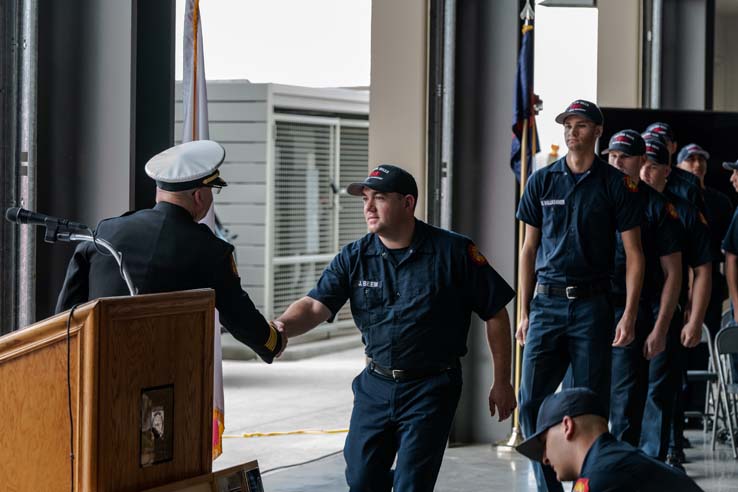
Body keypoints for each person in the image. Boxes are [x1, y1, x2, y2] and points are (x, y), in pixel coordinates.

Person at [274, 164, 516, 492]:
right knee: (361, 480)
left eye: (380, 198)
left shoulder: (453, 252)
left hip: (431, 388)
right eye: (365, 199)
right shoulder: (354, 256)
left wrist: (502, 381)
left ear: (407, 203)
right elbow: (316, 305)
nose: (369, 207)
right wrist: (282, 326)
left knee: (412, 485)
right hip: (375, 385)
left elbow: (496, 313)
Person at [55, 140, 284, 363]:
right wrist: (273, 342)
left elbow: (66, 312)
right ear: (199, 196)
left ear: (159, 190)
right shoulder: (211, 250)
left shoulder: (106, 232)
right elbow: (238, 316)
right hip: (166, 375)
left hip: (97, 367)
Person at [516, 100, 645, 492]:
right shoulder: (541, 180)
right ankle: (548, 487)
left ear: (597, 132)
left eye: (582, 125)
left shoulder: (616, 184)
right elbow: (527, 250)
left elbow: (635, 256)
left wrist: (630, 315)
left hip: (592, 306)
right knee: (531, 403)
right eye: (567, 125)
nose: (572, 132)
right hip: (547, 305)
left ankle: (585, 487)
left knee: (587, 406)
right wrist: (523, 311)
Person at [603, 130, 683, 447]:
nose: (617, 162)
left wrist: (661, 328)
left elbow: (674, 274)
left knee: (626, 404)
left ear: (641, 162)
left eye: (624, 157)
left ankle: (627, 472)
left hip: (635, 311)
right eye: (611, 156)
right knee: (586, 398)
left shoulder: (658, 208)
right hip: (593, 308)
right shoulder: (597, 197)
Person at [638, 137, 713, 464]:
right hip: (622, 308)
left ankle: (654, 461)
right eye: (641, 164)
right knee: (625, 392)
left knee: (658, 391)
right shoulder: (624, 205)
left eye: (652, 166)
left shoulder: (684, 212)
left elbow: (703, 270)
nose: (644, 172)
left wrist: (695, 319)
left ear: (667, 170)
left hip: (665, 311)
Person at [672, 143, 734, 463]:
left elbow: (728, 251)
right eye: (690, 159)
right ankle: (675, 427)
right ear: (678, 165)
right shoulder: (671, 199)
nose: (696, 164)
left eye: (701, 159)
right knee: (676, 361)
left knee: (705, 351)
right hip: (674, 289)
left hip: (710, 287)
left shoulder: (719, 202)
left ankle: (700, 415)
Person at [515, 388, 704, 492]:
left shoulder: (603, 476)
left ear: (567, 426)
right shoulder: (612, 461)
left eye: (544, 443)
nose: (545, 459)